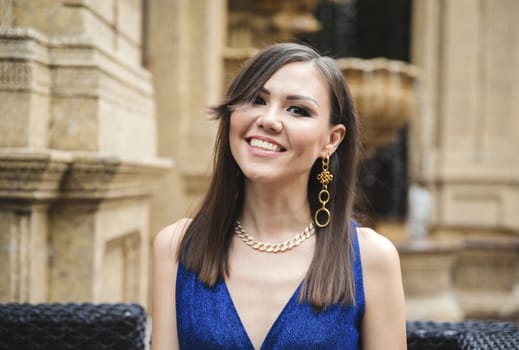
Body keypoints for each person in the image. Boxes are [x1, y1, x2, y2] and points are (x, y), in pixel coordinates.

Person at [152, 43, 406, 350]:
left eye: (297, 109)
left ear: (332, 139)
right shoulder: (175, 247)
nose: (269, 120)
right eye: (256, 100)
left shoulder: (372, 258)